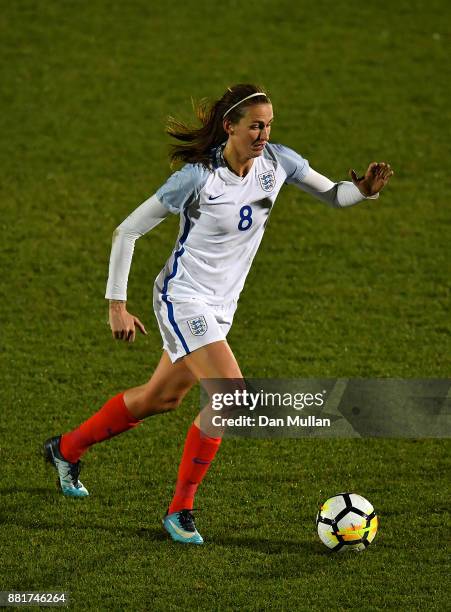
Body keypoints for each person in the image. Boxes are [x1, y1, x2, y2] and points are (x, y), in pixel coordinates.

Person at [44, 83, 393, 545]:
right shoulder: (198, 178)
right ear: (230, 127)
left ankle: (65, 449)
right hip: (183, 298)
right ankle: (179, 511)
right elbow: (126, 232)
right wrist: (117, 306)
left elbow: (333, 195)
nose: (264, 134)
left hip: (221, 307)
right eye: (255, 125)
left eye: (268, 124)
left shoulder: (277, 163)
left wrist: (363, 191)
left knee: (159, 399)